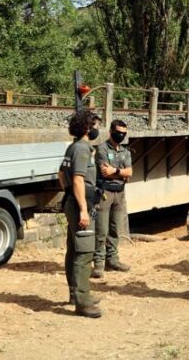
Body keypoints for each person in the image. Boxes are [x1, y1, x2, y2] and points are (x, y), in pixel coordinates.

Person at [58, 110, 102, 318]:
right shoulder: (83, 149)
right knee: (84, 252)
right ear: (86, 127)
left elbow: (61, 174)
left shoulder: (72, 148)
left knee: (73, 249)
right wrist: (83, 208)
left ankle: (76, 294)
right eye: (95, 125)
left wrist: (68, 195)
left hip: (72, 201)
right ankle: (83, 303)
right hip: (79, 205)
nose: (97, 129)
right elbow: (77, 180)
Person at [92, 119, 132, 279]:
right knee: (102, 230)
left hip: (120, 194)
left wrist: (116, 170)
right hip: (105, 193)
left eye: (123, 133)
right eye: (118, 132)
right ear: (111, 132)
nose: (121, 135)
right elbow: (104, 172)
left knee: (116, 229)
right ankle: (99, 264)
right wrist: (121, 172)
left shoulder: (125, 151)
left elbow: (129, 172)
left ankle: (113, 260)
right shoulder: (101, 149)